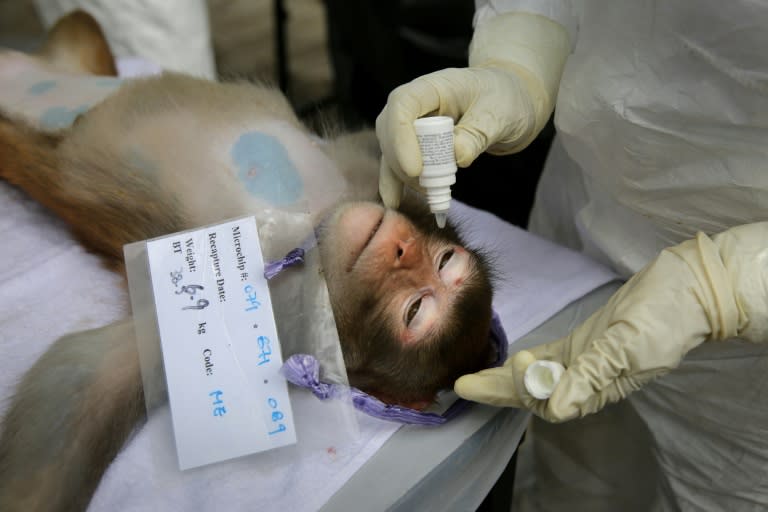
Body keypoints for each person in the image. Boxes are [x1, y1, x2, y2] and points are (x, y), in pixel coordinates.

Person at [376, 1, 768, 510]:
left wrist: (726, 287)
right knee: (576, 472)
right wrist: (519, 57)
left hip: (744, 371)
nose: (413, 255)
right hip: (588, 200)